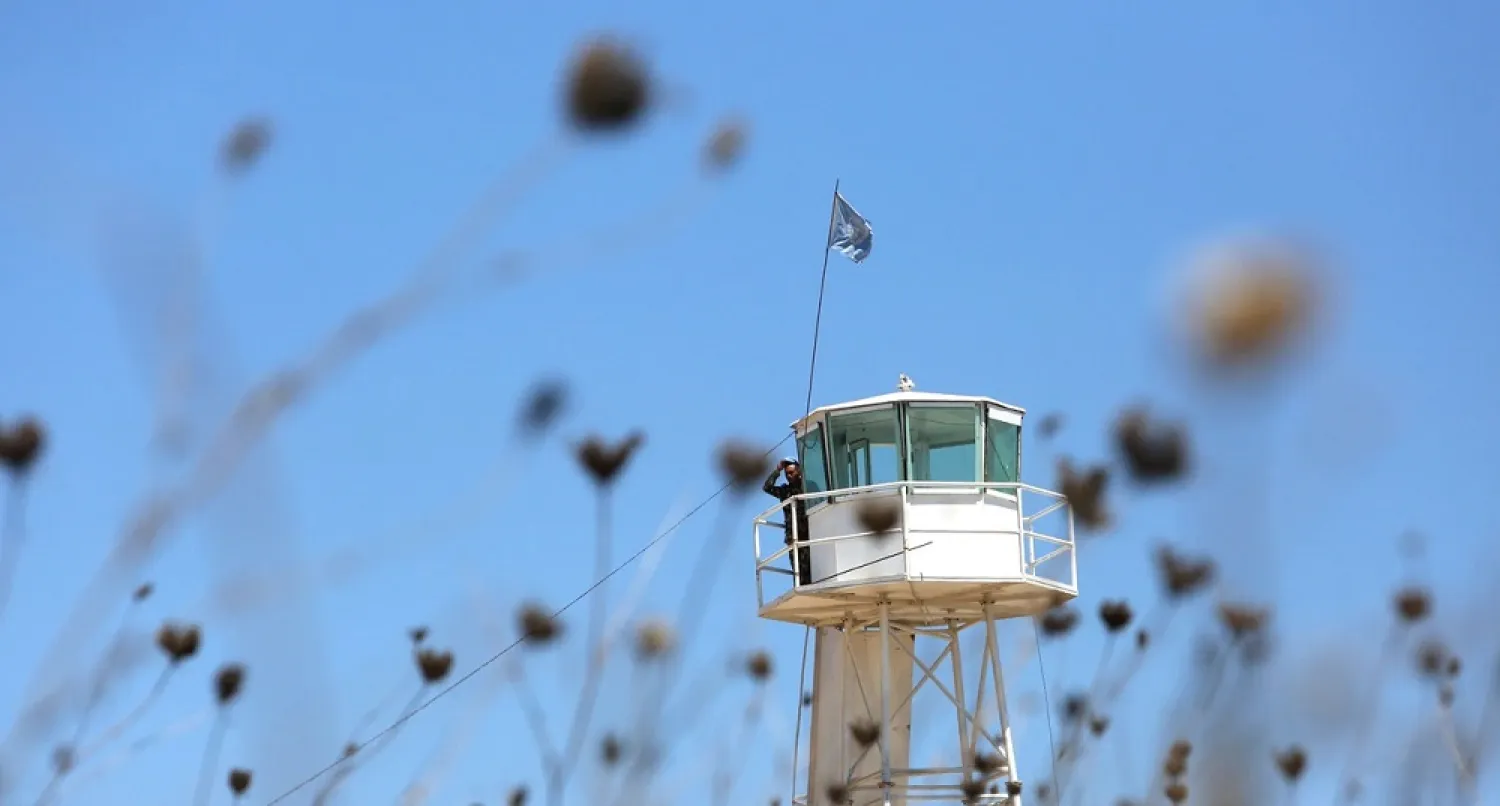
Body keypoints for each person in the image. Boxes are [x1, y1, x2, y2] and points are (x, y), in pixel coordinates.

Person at [763, 457, 812, 585]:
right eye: (786, 474)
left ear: (799, 472)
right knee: (797, 571)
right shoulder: (785, 491)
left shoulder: (807, 487)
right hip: (793, 536)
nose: (789, 476)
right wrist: (777, 470)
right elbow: (767, 487)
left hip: (808, 534)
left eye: (791, 473)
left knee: (810, 569)